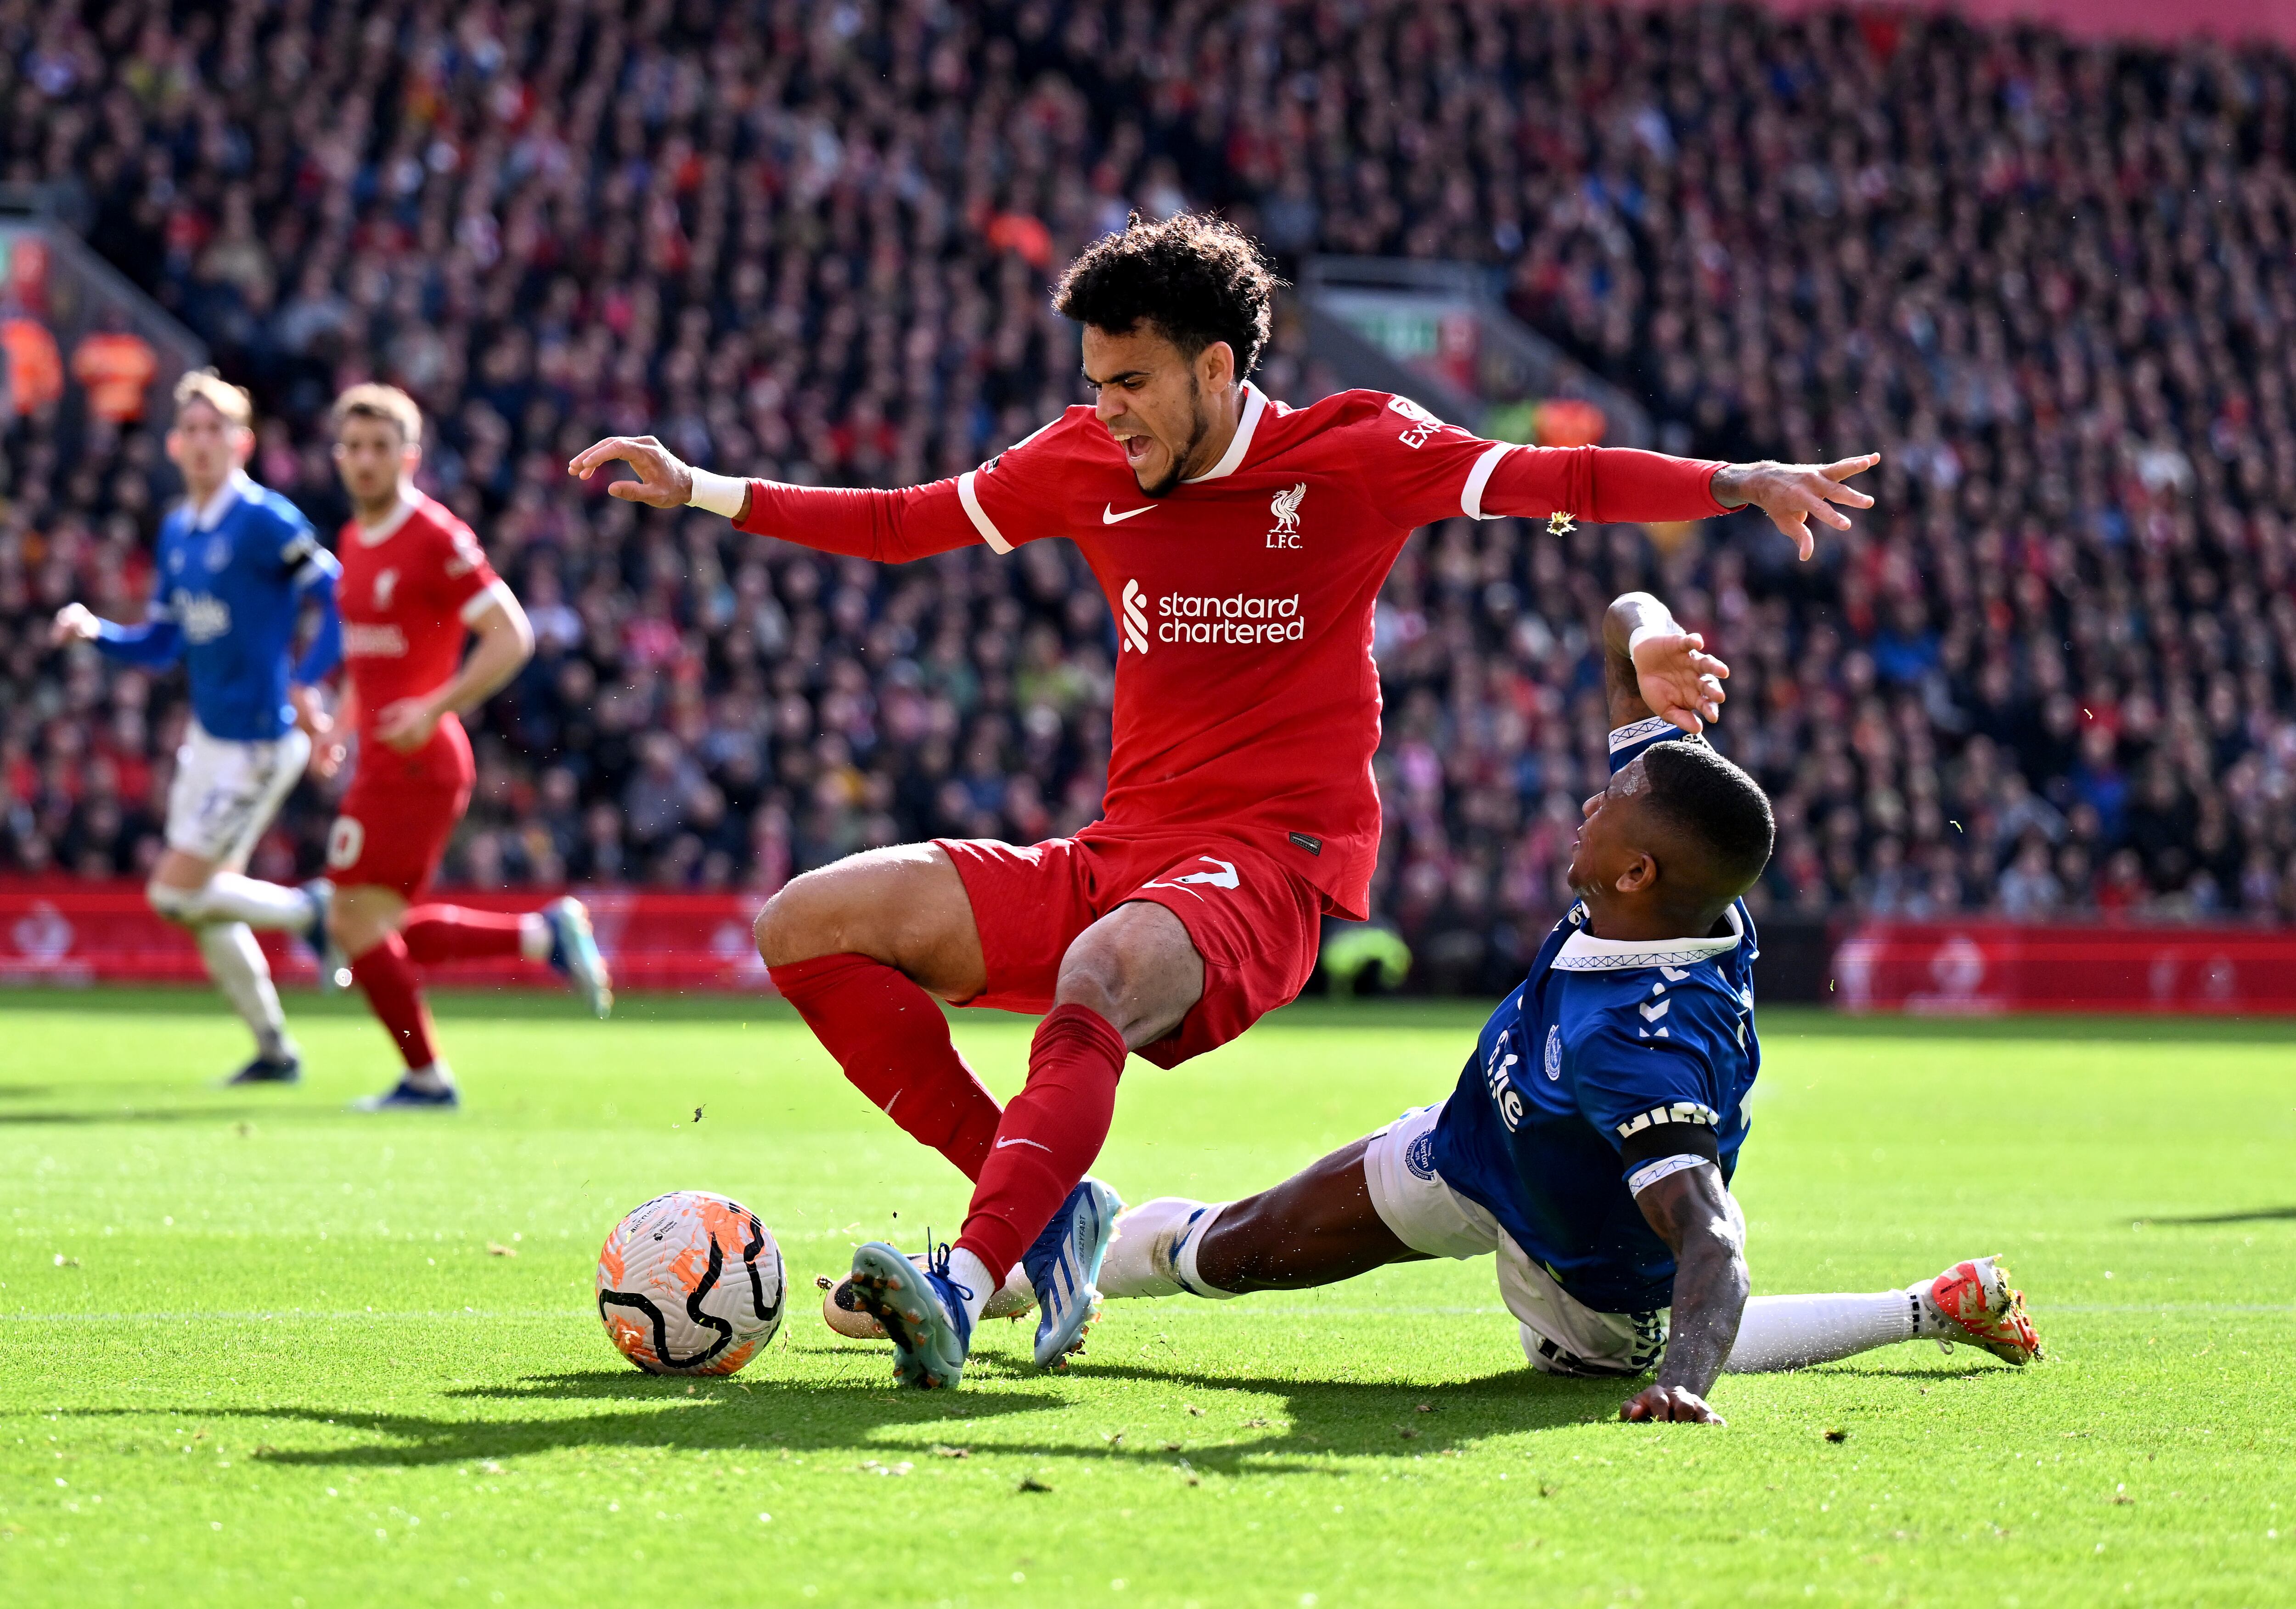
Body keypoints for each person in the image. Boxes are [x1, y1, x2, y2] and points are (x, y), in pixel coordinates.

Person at [570, 212, 1881, 1391]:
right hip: (1120, 849)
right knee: (807, 921)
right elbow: (909, 521)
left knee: (1097, 975)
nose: (1109, 413)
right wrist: (704, 490)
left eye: (1131, 383)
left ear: (1217, 368)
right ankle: (1049, 1212)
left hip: (1269, 869)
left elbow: (1562, 482)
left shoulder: (1356, 453)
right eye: (1093, 385)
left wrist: (1733, 482)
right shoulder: (1084, 461)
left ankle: (966, 1288)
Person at [1093, 592, 2043, 1420]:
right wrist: (1655, 636)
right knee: (1223, 1250)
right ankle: (1034, 1266)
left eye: (1610, 803)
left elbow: (1712, 1239)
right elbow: (1621, 626)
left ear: (1636, 871)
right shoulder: (1668, 855)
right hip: (1477, 1147)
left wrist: (1685, 1385)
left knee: (1595, 1363)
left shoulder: (1643, 1041)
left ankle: (1917, 1309)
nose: (1593, 798)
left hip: (1581, 1272)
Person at [319, 383, 613, 1111]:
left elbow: (513, 634)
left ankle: (428, 1078)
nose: (364, 461)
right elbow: (370, 661)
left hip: (421, 762)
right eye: (353, 448)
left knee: (352, 922)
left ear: (409, 457)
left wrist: (434, 705)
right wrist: (339, 727)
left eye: (380, 448)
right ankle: (540, 937)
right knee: (373, 929)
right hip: (386, 759)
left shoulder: (436, 536)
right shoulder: (355, 540)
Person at [51, 370, 340, 1084]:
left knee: (175, 894)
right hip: (207, 746)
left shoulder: (266, 520)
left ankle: (315, 914)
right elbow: (163, 642)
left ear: (242, 442)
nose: (205, 442)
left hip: (261, 744)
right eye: (194, 430)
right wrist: (97, 632)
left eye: (219, 429)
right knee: (204, 905)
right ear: (176, 445)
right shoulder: (178, 530)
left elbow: (338, 596)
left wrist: (307, 682)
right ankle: (275, 1051)